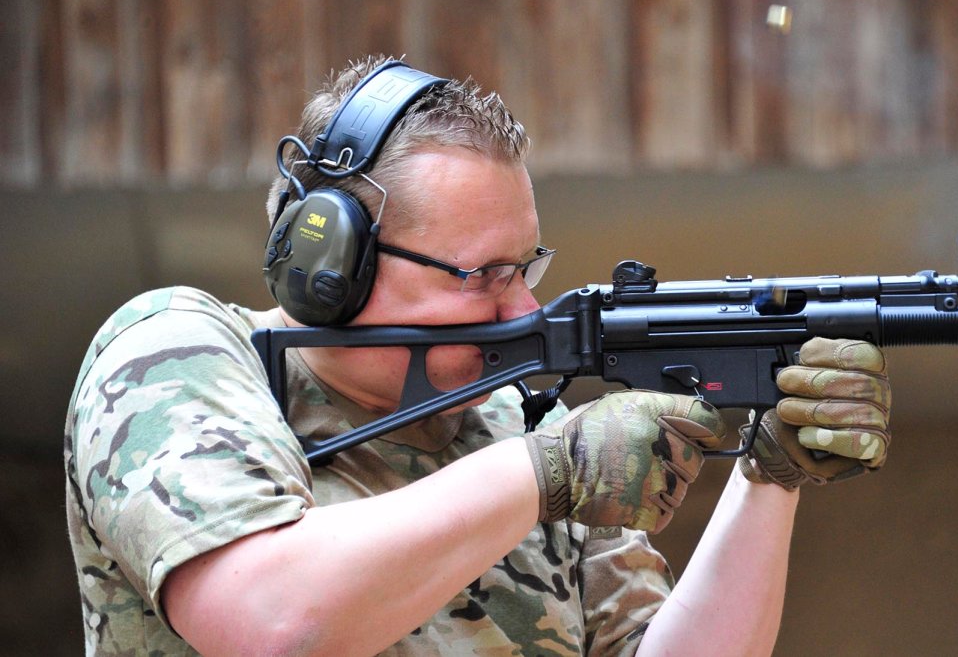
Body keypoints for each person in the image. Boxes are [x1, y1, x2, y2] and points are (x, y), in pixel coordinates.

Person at [64, 55, 892, 656]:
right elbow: (271, 623)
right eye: (485, 274)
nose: (523, 305)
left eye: (526, 267)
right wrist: (545, 473)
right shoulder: (180, 350)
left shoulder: (523, 429)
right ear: (335, 268)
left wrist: (768, 477)